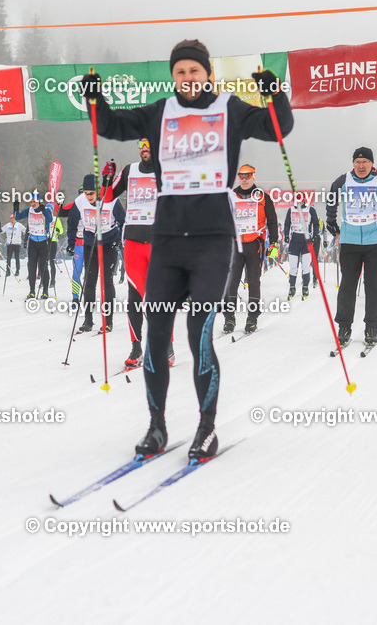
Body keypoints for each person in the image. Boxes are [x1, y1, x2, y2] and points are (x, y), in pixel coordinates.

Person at [82, 38, 293, 462]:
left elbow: (278, 127)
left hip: (212, 241)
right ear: (173, 76)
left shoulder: (229, 108)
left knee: (199, 337)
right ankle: (156, 425)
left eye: (194, 71)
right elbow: (113, 126)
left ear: (207, 74)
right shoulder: (161, 112)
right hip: (167, 241)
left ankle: (206, 428)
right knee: (155, 337)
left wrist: (274, 94)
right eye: (180, 71)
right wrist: (95, 102)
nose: (187, 78)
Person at [324, 147, 377, 347]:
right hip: (350, 239)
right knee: (347, 285)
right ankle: (344, 326)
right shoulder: (343, 181)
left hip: (375, 240)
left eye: (365, 162)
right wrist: (331, 222)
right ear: (353, 163)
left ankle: (372, 327)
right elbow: (331, 201)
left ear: (372, 163)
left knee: (372, 285)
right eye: (357, 162)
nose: (361, 166)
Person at [108, 138, 168, 367]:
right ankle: (136, 347)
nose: (145, 148)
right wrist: (106, 180)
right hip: (132, 241)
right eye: (142, 145)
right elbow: (107, 197)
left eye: (149, 144)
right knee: (134, 298)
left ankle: (166, 346)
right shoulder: (128, 171)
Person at [67, 171, 125, 333]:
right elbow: (72, 223)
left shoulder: (111, 200)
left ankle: (108, 321)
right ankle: (88, 320)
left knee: (107, 282)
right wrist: (71, 243)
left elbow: (124, 220)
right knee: (90, 281)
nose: (89, 196)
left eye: (92, 193)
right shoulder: (79, 202)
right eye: (86, 193)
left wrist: (118, 240)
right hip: (90, 244)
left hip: (108, 244)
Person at [223, 164, 279, 334]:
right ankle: (229, 317)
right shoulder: (231, 196)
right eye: (241, 176)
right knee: (231, 283)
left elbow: (272, 221)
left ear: (254, 177)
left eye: (248, 176)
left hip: (255, 245)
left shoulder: (262, 197)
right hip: (235, 244)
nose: (245, 179)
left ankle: (252, 317)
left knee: (254, 281)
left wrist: (274, 243)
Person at [13, 191, 53, 299]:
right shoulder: (29, 210)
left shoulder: (46, 210)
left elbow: (50, 220)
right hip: (33, 242)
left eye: (34, 201)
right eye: (31, 201)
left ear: (39, 201)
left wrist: (44, 211)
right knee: (32, 267)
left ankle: (45, 291)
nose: (33, 204)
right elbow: (17, 217)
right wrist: (16, 207)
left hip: (44, 242)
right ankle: (32, 291)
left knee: (43, 266)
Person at [283, 194, 319, 301]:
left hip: (306, 242)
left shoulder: (310, 210)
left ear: (304, 201)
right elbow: (286, 224)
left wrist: (315, 235)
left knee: (306, 267)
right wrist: (286, 235)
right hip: (294, 241)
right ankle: (292, 288)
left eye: (300, 201)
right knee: (293, 267)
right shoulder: (290, 210)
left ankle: (305, 287)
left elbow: (316, 224)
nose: (298, 203)